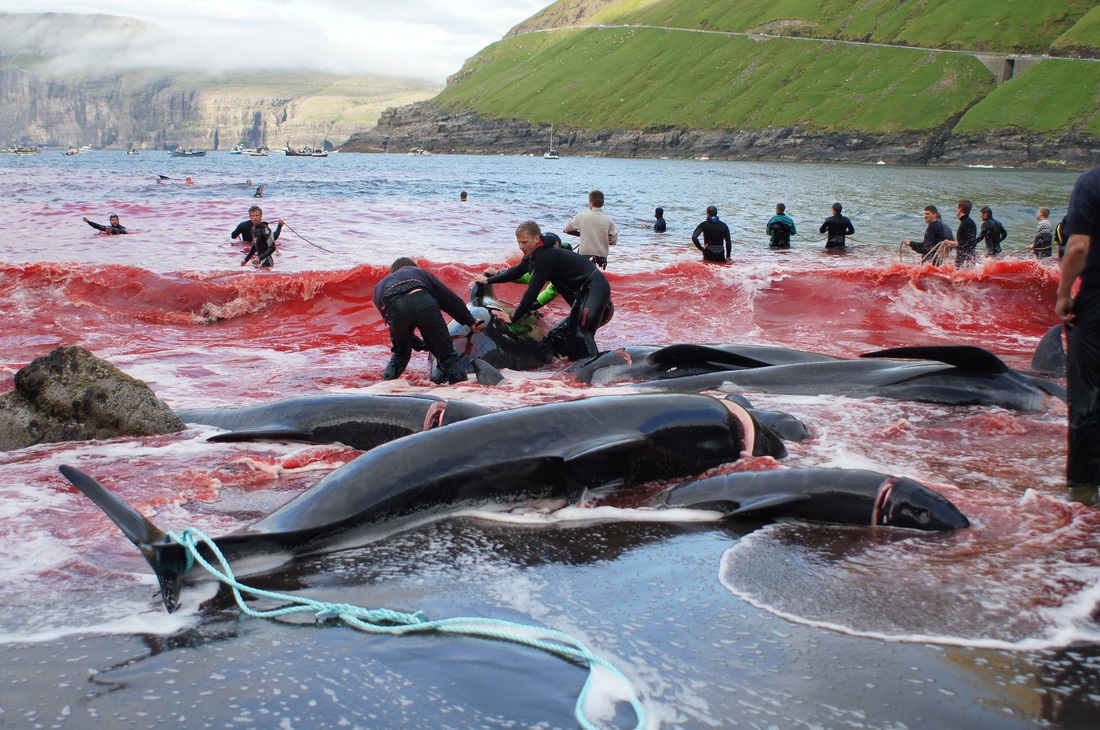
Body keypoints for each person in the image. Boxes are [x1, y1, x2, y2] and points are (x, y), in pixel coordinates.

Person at [477, 220, 611, 360]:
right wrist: (489, 280)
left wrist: (513, 317)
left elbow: (533, 291)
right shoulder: (534, 255)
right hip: (583, 293)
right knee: (572, 334)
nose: (521, 246)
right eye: (519, 242)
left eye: (525, 242)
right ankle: (576, 368)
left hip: (594, 287)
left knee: (583, 334)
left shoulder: (545, 257)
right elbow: (516, 272)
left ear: (537, 239)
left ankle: (597, 371)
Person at [1055, 165, 1100, 505]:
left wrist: (1063, 293)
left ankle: (1083, 496)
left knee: (1086, 399)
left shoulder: (1091, 182)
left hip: (1097, 302)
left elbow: (1078, 247)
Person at [374, 258, 485, 383]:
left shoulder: (379, 287)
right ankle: (461, 393)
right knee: (448, 357)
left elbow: (396, 325)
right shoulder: (416, 271)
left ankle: (383, 390)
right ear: (413, 267)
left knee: (400, 356)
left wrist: (423, 345)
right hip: (422, 300)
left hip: (392, 304)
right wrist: (470, 321)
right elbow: (447, 298)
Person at [564, 190, 618, 269]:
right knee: (597, 278)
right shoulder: (608, 220)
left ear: (591, 203)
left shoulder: (582, 216)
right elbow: (613, 240)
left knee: (583, 279)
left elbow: (567, 229)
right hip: (602, 257)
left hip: (584, 256)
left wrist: (582, 233)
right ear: (602, 203)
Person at [942, 199, 979, 267]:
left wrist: (954, 244)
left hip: (965, 258)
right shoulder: (967, 222)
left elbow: (971, 242)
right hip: (964, 257)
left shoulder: (967, 223)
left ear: (960, 209)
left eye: (957, 208)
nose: (956, 210)